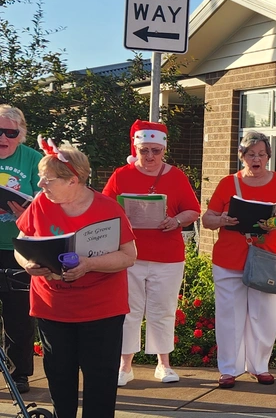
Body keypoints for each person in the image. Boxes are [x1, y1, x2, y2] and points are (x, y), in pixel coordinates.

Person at [14, 139, 137, 417]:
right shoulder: (41, 204)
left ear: (73, 180)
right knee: (59, 378)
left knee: (100, 381)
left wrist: (90, 263)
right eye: (41, 179)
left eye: (48, 180)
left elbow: (129, 255)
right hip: (52, 306)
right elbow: (22, 245)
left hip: (101, 308)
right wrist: (29, 264)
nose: (41, 185)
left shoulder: (107, 209)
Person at [201, 131, 276, 388]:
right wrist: (222, 220)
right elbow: (207, 219)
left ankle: (259, 366)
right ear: (242, 156)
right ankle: (228, 369)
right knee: (229, 315)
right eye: (250, 154)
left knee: (266, 315)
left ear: (269, 156)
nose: (256, 159)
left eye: (261, 154)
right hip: (229, 258)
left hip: (266, 258)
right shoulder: (227, 183)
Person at [104, 120, 201, 385]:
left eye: (155, 151)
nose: (149, 156)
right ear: (135, 148)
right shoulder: (121, 175)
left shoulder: (176, 175)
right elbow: (105, 210)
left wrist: (176, 221)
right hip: (129, 254)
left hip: (168, 256)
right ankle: (125, 366)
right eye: (144, 150)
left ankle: (163, 364)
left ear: (163, 150)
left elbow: (193, 209)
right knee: (128, 310)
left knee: (163, 310)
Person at [0, 104, 41, 394]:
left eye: (10, 132)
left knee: (19, 314)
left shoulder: (34, 160)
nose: (3, 137)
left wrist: (25, 214)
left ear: (21, 133)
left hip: (18, 247)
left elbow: (48, 203)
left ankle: (20, 374)